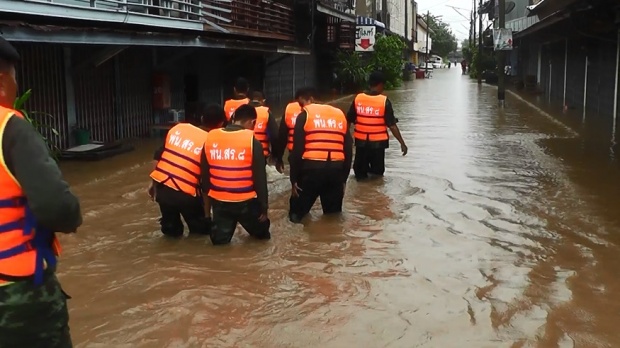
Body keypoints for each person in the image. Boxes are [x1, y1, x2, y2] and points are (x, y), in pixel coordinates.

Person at [0, 36, 82, 347]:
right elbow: (57, 207)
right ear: (3, 81)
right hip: (15, 295)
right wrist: (73, 216)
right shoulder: (9, 127)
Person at [148, 105, 224, 237]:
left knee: (171, 233)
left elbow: (158, 156)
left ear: (201, 118)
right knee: (200, 234)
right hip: (187, 196)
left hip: (162, 189)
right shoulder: (213, 143)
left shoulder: (179, 128)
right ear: (221, 124)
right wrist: (207, 216)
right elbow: (207, 183)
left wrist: (152, 184)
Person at [201, 104, 270, 245]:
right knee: (262, 237)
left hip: (219, 202)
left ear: (233, 118)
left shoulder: (210, 138)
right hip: (245, 203)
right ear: (252, 122)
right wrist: (264, 208)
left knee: (219, 244)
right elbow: (260, 179)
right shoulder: (252, 141)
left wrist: (207, 213)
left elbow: (205, 180)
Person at [288, 88, 353, 223]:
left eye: (301, 104)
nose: (301, 107)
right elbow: (348, 149)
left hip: (311, 171)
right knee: (333, 218)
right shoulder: (339, 115)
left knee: (296, 216)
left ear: (311, 99)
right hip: (335, 172)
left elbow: (297, 151)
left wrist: (293, 179)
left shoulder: (305, 115)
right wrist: (343, 179)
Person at [347, 71, 408, 181]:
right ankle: (375, 196)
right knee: (377, 177)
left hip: (361, 144)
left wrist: (345, 139)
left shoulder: (358, 99)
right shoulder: (384, 101)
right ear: (380, 84)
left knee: (360, 175)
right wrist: (402, 144)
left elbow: (348, 121)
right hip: (378, 146)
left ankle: (360, 196)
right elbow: (392, 126)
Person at [273, 88, 306, 173]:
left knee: (296, 180)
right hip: (314, 155)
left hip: (294, 153)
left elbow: (282, 135)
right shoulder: (324, 112)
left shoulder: (290, 109)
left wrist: (279, 158)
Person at [248, 91, 279, 165]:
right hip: (261, 154)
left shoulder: (241, 111)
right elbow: (274, 136)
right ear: (263, 101)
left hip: (243, 153)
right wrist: (275, 155)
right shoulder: (266, 112)